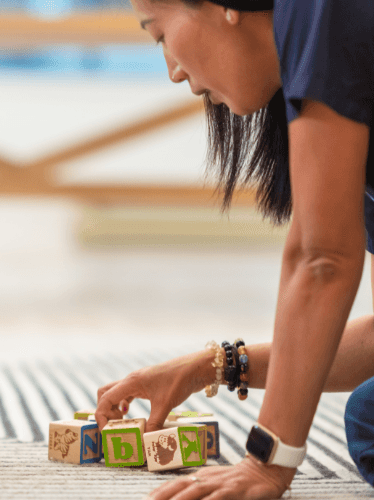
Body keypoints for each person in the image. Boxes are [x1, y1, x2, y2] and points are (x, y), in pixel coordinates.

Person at [94, 0, 374, 498]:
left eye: (159, 35)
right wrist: (215, 365)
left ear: (223, 7)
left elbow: (322, 258)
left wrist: (267, 463)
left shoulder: (322, 11)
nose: (175, 72)